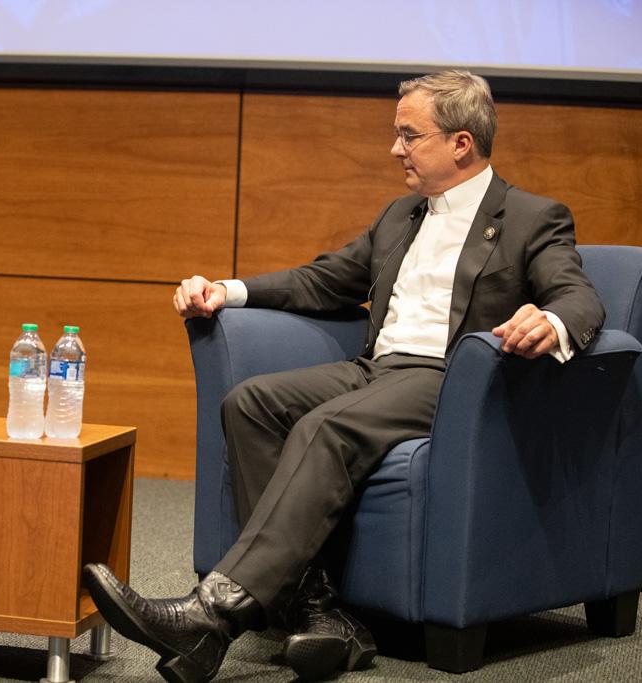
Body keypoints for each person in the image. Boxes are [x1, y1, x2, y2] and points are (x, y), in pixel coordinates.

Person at [83, 70, 605, 682]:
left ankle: (212, 615)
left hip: (451, 380)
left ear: (460, 143)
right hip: (376, 369)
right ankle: (322, 615)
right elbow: (325, 279)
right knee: (250, 403)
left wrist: (550, 322)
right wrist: (228, 290)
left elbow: (580, 298)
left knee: (325, 426)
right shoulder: (401, 216)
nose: (395, 149)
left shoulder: (531, 218)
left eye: (409, 136)